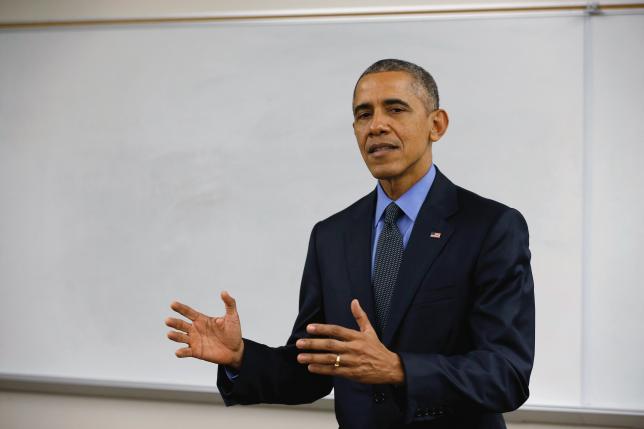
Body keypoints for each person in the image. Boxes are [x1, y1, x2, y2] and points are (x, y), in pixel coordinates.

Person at [165, 59, 535, 429]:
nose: (376, 125)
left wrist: (398, 369)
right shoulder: (332, 235)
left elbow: (506, 375)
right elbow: (312, 368)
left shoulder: (490, 227)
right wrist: (241, 357)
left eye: (395, 109)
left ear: (436, 125)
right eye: (363, 114)